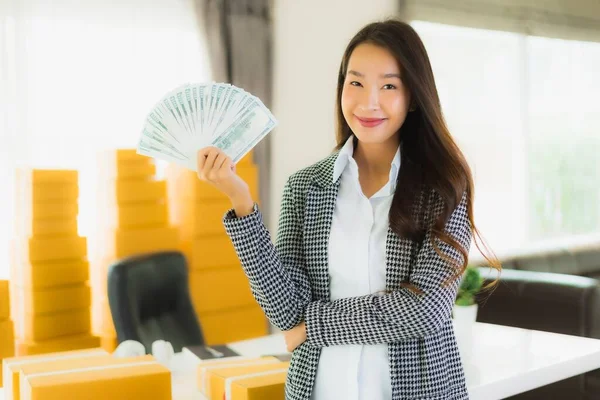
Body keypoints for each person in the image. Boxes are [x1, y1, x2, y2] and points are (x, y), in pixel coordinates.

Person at [196, 18, 501, 400]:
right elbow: (286, 311)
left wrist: (314, 326)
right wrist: (240, 202)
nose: (368, 101)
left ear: (413, 98)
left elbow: (424, 309)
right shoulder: (305, 188)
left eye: (389, 85)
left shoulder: (444, 188)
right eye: (355, 82)